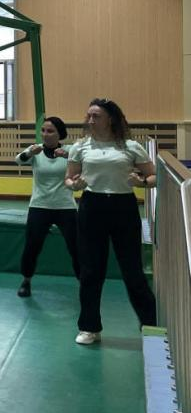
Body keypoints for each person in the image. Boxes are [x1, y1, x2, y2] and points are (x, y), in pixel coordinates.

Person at [66, 98, 157, 345]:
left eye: (96, 116)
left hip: (123, 207)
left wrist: (141, 182)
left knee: (133, 271)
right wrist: (75, 185)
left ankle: (151, 324)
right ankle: (89, 327)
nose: (90, 120)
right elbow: (69, 179)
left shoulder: (130, 146)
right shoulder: (80, 147)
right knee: (91, 271)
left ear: (111, 119)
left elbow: (153, 176)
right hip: (92, 207)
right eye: (88, 116)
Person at [15, 116, 79, 298]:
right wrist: (29, 153)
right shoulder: (35, 150)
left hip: (65, 206)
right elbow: (18, 160)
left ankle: (84, 282)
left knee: (76, 248)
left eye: (50, 131)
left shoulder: (70, 150)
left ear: (60, 134)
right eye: (43, 130)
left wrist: (67, 156)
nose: (45, 134)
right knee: (32, 247)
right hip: (39, 206)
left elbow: (84, 162)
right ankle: (26, 280)